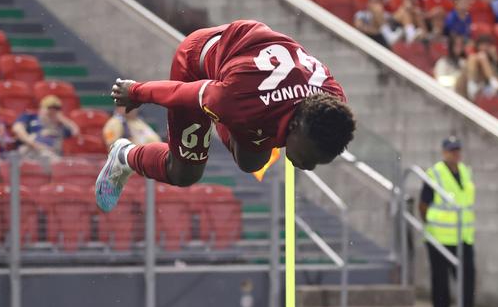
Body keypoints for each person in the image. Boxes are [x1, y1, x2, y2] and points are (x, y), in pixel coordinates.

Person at [96, 20, 355, 212]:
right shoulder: (242, 104)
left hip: (246, 70)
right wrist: (136, 91)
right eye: (310, 157)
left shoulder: (333, 99)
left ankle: (232, 121)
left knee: (252, 161)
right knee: (184, 174)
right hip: (198, 62)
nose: (309, 167)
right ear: (297, 125)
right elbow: (183, 93)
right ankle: (123, 155)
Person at [419, 137, 486, 307]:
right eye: (451, 150)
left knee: (468, 282)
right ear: (444, 152)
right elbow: (423, 205)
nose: (455, 154)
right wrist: (430, 224)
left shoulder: (465, 171)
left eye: (457, 150)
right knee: (440, 284)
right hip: (439, 239)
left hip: (463, 237)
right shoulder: (435, 174)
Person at [11, 94, 80, 160]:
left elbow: (75, 131)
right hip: (31, 151)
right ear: (41, 108)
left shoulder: (60, 126)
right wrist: (35, 145)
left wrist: (62, 119)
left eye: (56, 109)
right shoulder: (31, 117)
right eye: (49, 108)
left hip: (52, 154)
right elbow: (17, 129)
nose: (52, 111)